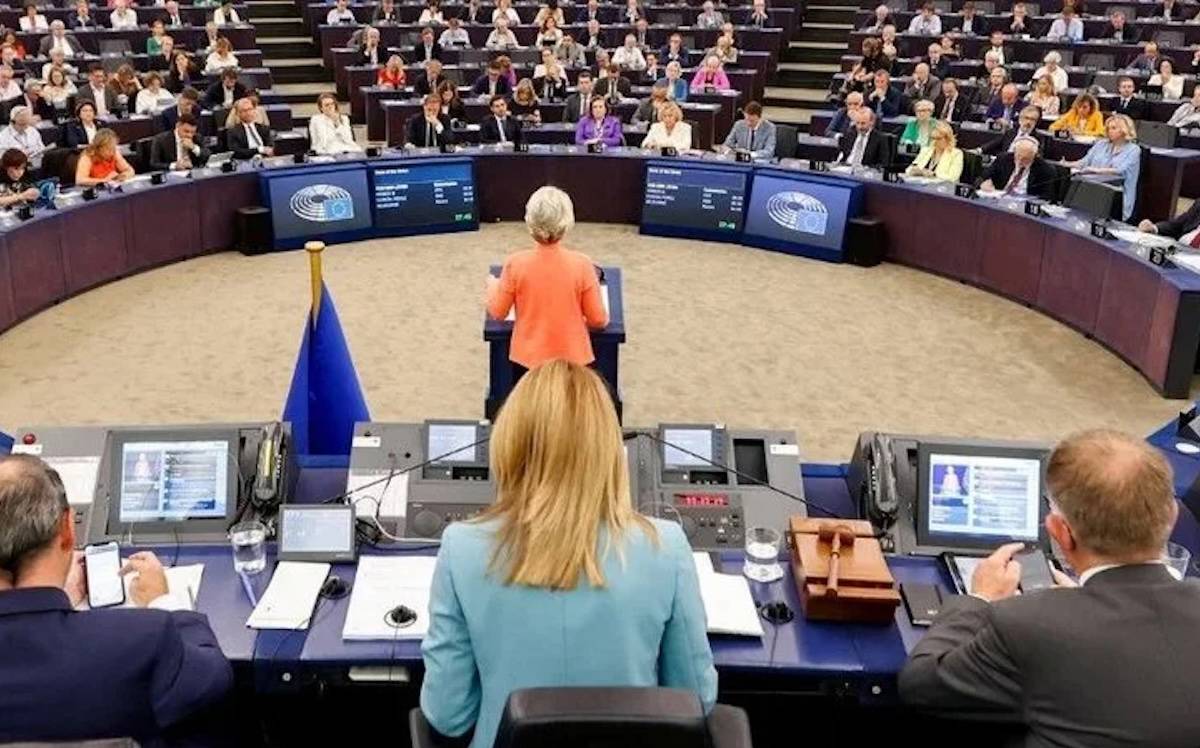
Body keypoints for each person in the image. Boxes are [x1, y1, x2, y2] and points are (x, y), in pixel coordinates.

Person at [421, 359, 715, 748]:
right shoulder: (667, 547)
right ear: (610, 449)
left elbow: (449, 715)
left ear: (510, 442)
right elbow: (695, 700)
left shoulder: (461, 548)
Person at [899, 429, 1200, 748]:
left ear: (1060, 532)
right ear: (1172, 516)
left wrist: (979, 599)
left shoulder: (1027, 624)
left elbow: (921, 684)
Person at [0, 455, 234, 744]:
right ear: (67, 530)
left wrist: (54, 602)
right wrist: (165, 602)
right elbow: (213, 680)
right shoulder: (144, 639)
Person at [1064, 113, 1140, 220]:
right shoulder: (1101, 144)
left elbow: (1120, 170)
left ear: (1124, 130)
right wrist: (1066, 164)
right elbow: (1084, 162)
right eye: (1108, 128)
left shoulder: (1134, 150)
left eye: (1114, 128)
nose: (1109, 131)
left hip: (1116, 195)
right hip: (1092, 189)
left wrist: (1095, 170)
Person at [979, 135, 1057, 199]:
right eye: (1018, 156)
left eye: (1025, 158)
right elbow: (982, 177)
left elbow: (1047, 197)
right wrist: (984, 183)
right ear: (1014, 152)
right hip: (999, 199)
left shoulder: (1045, 170)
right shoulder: (1003, 159)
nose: (1020, 160)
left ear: (1035, 155)